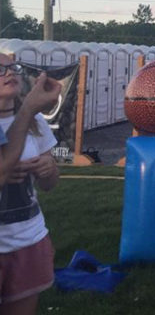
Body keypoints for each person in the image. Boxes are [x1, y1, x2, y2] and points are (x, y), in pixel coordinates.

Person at [0, 53, 63, 314]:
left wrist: (49, 170)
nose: (9, 73)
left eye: (12, 67)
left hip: (28, 239)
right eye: (0, 69)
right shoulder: (30, 114)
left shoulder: (35, 122)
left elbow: (49, 184)